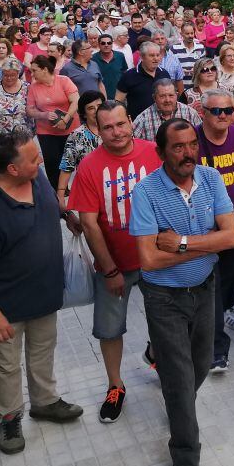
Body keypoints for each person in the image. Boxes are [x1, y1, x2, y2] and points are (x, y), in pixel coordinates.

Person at [0, 129, 84, 455]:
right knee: (4, 366)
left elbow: (47, 202)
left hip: (42, 294)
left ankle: (44, 401)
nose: (40, 161)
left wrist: (64, 213)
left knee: (42, 352)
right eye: (33, 159)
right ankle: (8, 416)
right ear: (11, 169)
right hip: (3, 306)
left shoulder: (36, 176)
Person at [129, 118, 234, 466]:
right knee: (178, 381)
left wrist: (180, 243)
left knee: (202, 362)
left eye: (192, 144)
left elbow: (233, 237)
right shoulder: (146, 192)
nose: (188, 152)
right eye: (178, 146)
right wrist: (209, 246)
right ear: (161, 152)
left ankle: (161, 363)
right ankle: (186, 457)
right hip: (164, 297)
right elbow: (148, 258)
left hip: (206, 289)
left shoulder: (210, 179)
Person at [68, 100, 164, 423]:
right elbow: (90, 222)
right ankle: (115, 385)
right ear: (98, 128)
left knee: (165, 319)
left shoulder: (154, 152)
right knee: (110, 329)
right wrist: (109, 269)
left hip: (156, 259)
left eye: (121, 124)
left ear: (131, 121)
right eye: (107, 127)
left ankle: (158, 356)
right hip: (115, 264)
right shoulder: (90, 166)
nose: (116, 132)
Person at [196, 89, 234, 368]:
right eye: (216, 111)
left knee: (228, 279)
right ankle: (216, 346)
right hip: (203, 226)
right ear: (203, 112)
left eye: (228, 110)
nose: (223, 116)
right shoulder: (192, 140)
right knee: (214, 281)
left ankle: (217, 320)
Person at [27, 54, 80, 191]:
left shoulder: (63, 80)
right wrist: (43, 115)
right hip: (46, 131)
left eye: (34, 70)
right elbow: (30, 110)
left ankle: (69, 188)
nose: (32, 74)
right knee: (51, 162)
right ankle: (56, 191)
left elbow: (76, 101)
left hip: (69, 128)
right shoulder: (34, 87)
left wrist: (66, 118)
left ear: (44, 69)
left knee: (69, 160)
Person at [56, 90, 105, 206]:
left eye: (99, 106)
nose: (96, 110)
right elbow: (67, 165)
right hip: (90, 190)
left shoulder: (115, 129)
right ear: (84, 113)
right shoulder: (77, 135)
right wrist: (61, 194)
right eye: (91, 108)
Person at [133, 78, 203, 142]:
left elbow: (201, 139)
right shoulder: (142, 119)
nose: (167, 100)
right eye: (162, 96)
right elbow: (133, 144)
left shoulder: (191, 114)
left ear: (176, 95)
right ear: (154, 98)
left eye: (171, 95)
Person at [116, 41, 172, 120]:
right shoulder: (129, 76)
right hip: (138, 123)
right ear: (142, 57)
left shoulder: (164, 74)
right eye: (152, 55)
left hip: (163, 121)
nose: (156, 58)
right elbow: (118, 101)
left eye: (158, 55)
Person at [170, 22, 205, 90]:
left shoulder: (200, 47)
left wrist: (196, 71)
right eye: (187, 33)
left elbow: (204, 66)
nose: (190, 36)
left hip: (196, 87)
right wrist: (180, 71)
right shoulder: (174, 48)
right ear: (182, 34)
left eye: (192, 33)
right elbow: (170, 68)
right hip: (179, 87)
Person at [95, 32, 127, 98]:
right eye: (103, 43)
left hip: (119, 96)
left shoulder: (120, 56)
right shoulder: (93, 59)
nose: (106, 45)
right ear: (99, 45)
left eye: (109, 43)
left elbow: (124, 74)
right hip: (101, 97)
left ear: (112, 44)